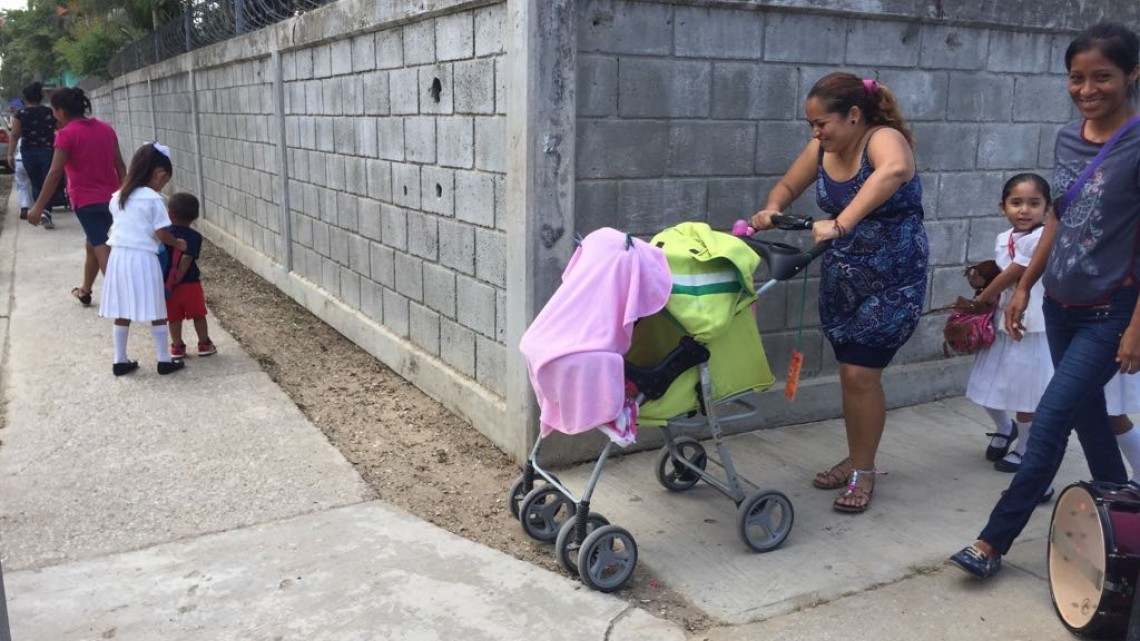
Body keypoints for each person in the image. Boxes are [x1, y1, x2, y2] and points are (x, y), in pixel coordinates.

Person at [951, 22, 1140, 579]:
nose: (1087, 89)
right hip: (1058, 304)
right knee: (1087, 414)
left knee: (1052, 417)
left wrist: (1137, 325)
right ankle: (1125, 526)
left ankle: (992, 541)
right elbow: (1058, 215)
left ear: (1132, 75)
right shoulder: (1066, 137)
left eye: (1102, 77)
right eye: (1076, 77)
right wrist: (1026, 285)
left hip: (1111, 309)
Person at [750, 72, 929, 513]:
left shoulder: (883, 139)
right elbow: (788, 185)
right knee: (851, 374)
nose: (815, 133)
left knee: (860, 375)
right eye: (810, 125)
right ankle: (857, 456)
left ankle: (863, 471)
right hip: (843, 277)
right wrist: (773, 208)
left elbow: (893, 171)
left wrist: (842, 221)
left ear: (852, 115)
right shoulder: (822, 149)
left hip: (893, 278)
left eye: (821, 123)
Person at [965, 175, 1056, 484]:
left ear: (1047, 208)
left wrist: (980, 299)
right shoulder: (1004, 237)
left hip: (1030, 326)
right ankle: (1005, 428)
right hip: (1001, 323)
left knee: (1026, 394)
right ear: (1002, 207)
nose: (1024, 210)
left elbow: (1012, 274)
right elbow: (1000, 272)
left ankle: (1026, 447)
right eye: (1016, 202)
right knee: (986, 387)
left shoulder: (1042, 237)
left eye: (1034, 203)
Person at [26, 87, 126, 307]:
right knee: (93, 244)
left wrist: (38, 207)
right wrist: (126, 195)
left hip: (86, 201)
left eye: (54, 110)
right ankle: (85, 290)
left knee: (101, 245)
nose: (53, 115)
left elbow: (54, 174)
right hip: (112, 198)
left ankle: (120, 299)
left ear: (61, 111)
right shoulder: (106, 129)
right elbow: (120, 166)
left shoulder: (66, 135)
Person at [99, 143, 187, 376]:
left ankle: (119, 360)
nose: (163, 184)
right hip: (143, 259)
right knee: (157, 308)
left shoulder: (118, 196)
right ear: (158, 174)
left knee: (122, 309)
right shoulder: (152, 199)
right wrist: (176, 243)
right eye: (165, 180)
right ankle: (163, 359)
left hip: (118, 257)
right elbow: (161, 233)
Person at [164, 192, 216, 360]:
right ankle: (204, 344)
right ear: (195, 216)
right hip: (191, 284)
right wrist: (179, 275)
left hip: (169, 286)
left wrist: (173, 279)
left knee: (174, 318)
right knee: (198, 315)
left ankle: (177, 346)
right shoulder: (195, 236)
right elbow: (187, 257)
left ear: (169, 213)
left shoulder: (165, 235)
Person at [8, 82, 56, 228]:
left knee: (35, 182)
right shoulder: (48, 112)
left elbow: (15, 134)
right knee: (48, 181)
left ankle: (41, 211)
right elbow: (59, 127)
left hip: (29, 152)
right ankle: (46, 211)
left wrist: (10, 154)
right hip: (48, 150)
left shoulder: (20, 114)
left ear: (25, 98)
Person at [13, 138, 31, 219]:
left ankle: (24, 207)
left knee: (22, 185)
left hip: (19, 160)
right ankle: (36, 207)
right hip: (31, 161)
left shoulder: (20, 139)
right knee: (35, 184)